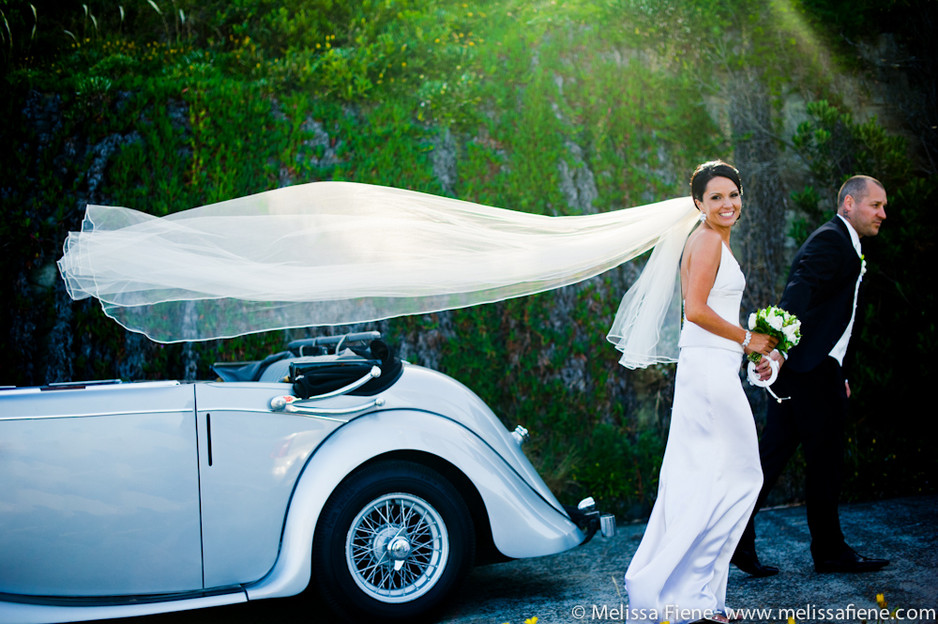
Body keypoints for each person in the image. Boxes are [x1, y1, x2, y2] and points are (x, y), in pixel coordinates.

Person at [624, 161, 777, 624]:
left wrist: (751, 351)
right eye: (716, 197)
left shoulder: (714, 239)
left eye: (733, 194)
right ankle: (690, 596)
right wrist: (748, 340)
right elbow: (696, 310)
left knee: (706, 479)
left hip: (711, 367)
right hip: (709, 374)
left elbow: (713, 311)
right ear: (698, 204)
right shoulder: (708, 239)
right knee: (739, 475)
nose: (727, 203)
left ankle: (696, 597)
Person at [732, 175, 890, 576]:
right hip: (808, 372)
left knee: (770, 460)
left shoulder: (845, 243)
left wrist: (842, 368)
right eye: (876, 205)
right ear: (850, 204)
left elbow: (840, 317)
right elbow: (798, 295)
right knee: (825, 463)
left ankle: (736, 541)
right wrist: (779, 352)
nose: (882, 214)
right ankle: (829, 552)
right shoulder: (829, 240)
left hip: (818, 370)